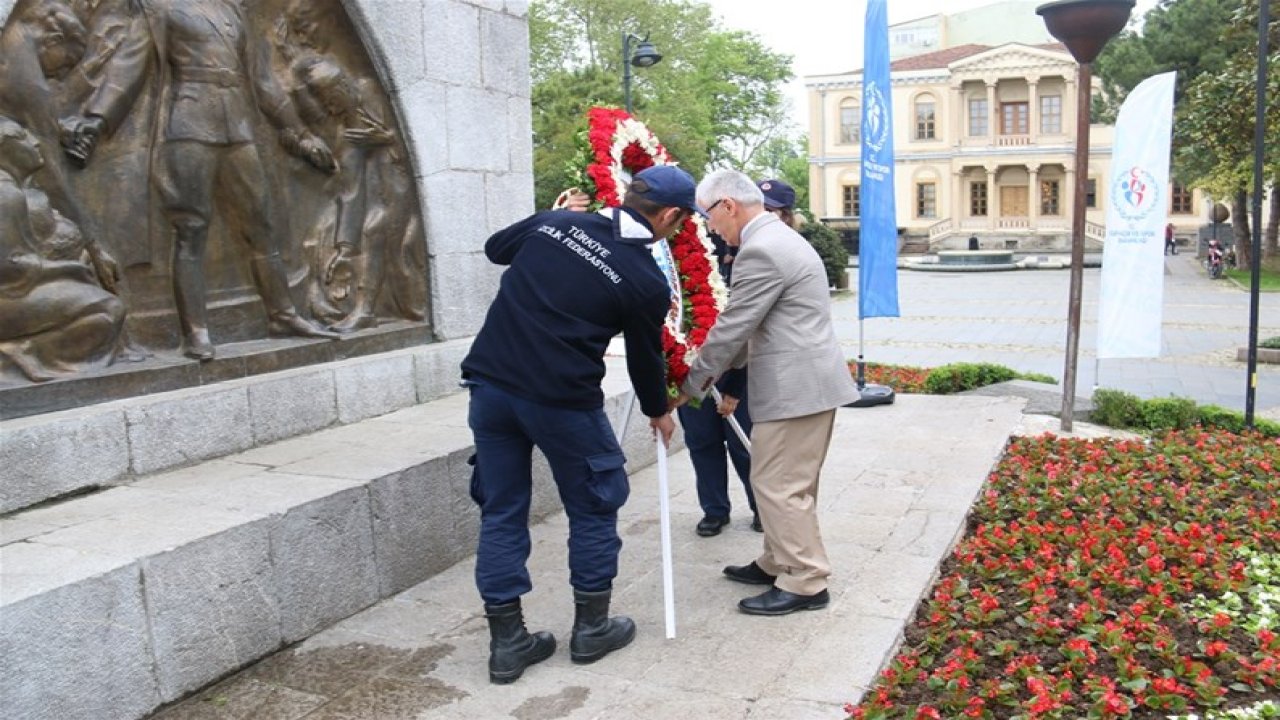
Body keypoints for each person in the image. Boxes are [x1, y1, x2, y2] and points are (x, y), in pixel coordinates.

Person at [460, 165, 696, 683]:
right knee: (593, 506)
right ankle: (591, 630)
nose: (676, 232)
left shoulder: (552, 224)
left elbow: (497, 248)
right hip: (562, 402)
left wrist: (555, 224)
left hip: (492, 388)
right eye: (679, 225)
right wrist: (659, 410)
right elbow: (642, 359)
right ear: (671, 216)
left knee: (501, 512)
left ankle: (508, 645)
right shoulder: (644, 280)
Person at [60, 0, 339, 361]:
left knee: (262, 226)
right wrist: (97, 121)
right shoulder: (159, 9)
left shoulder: (232, 11)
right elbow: (129, 68)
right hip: (189, 126)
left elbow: (263, 80)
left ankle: (283, 315)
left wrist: (299, 134)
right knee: (191, 230)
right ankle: (195, 332)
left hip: (238, 129)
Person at [675, 169, 860, 617]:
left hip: (796, 386)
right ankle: (778, 559)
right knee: (783, 480)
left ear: (728, 206)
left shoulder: (761, 250)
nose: (711, 228)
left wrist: (691, 383)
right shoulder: (777, 238)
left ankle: (805, 580)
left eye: (709, 217)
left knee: (778, 484)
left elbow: (735, 326)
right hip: (804, 381)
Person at [0, 116, 124, 382]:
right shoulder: (5, 195)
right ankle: (20, 352)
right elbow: (9, 269)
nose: (34, 142)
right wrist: (70, 268)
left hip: (18, 290)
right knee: (108, 309)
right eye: (21, 138)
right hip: (9, 297)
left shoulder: (17, 190)